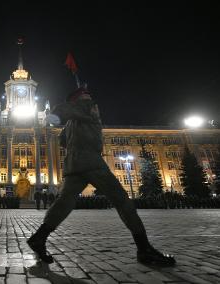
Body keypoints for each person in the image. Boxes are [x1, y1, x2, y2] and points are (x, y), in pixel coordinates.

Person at [27, 87, 175, 266]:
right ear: (79, 100)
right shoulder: (87, 107)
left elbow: (62, 140)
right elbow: (60, 111)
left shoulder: (71, 124)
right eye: (86, 96)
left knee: (65, 201)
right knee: (122, 200)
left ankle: (39, 237)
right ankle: (144, 249)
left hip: (74, 165)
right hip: (91, 163)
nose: (90, 98)